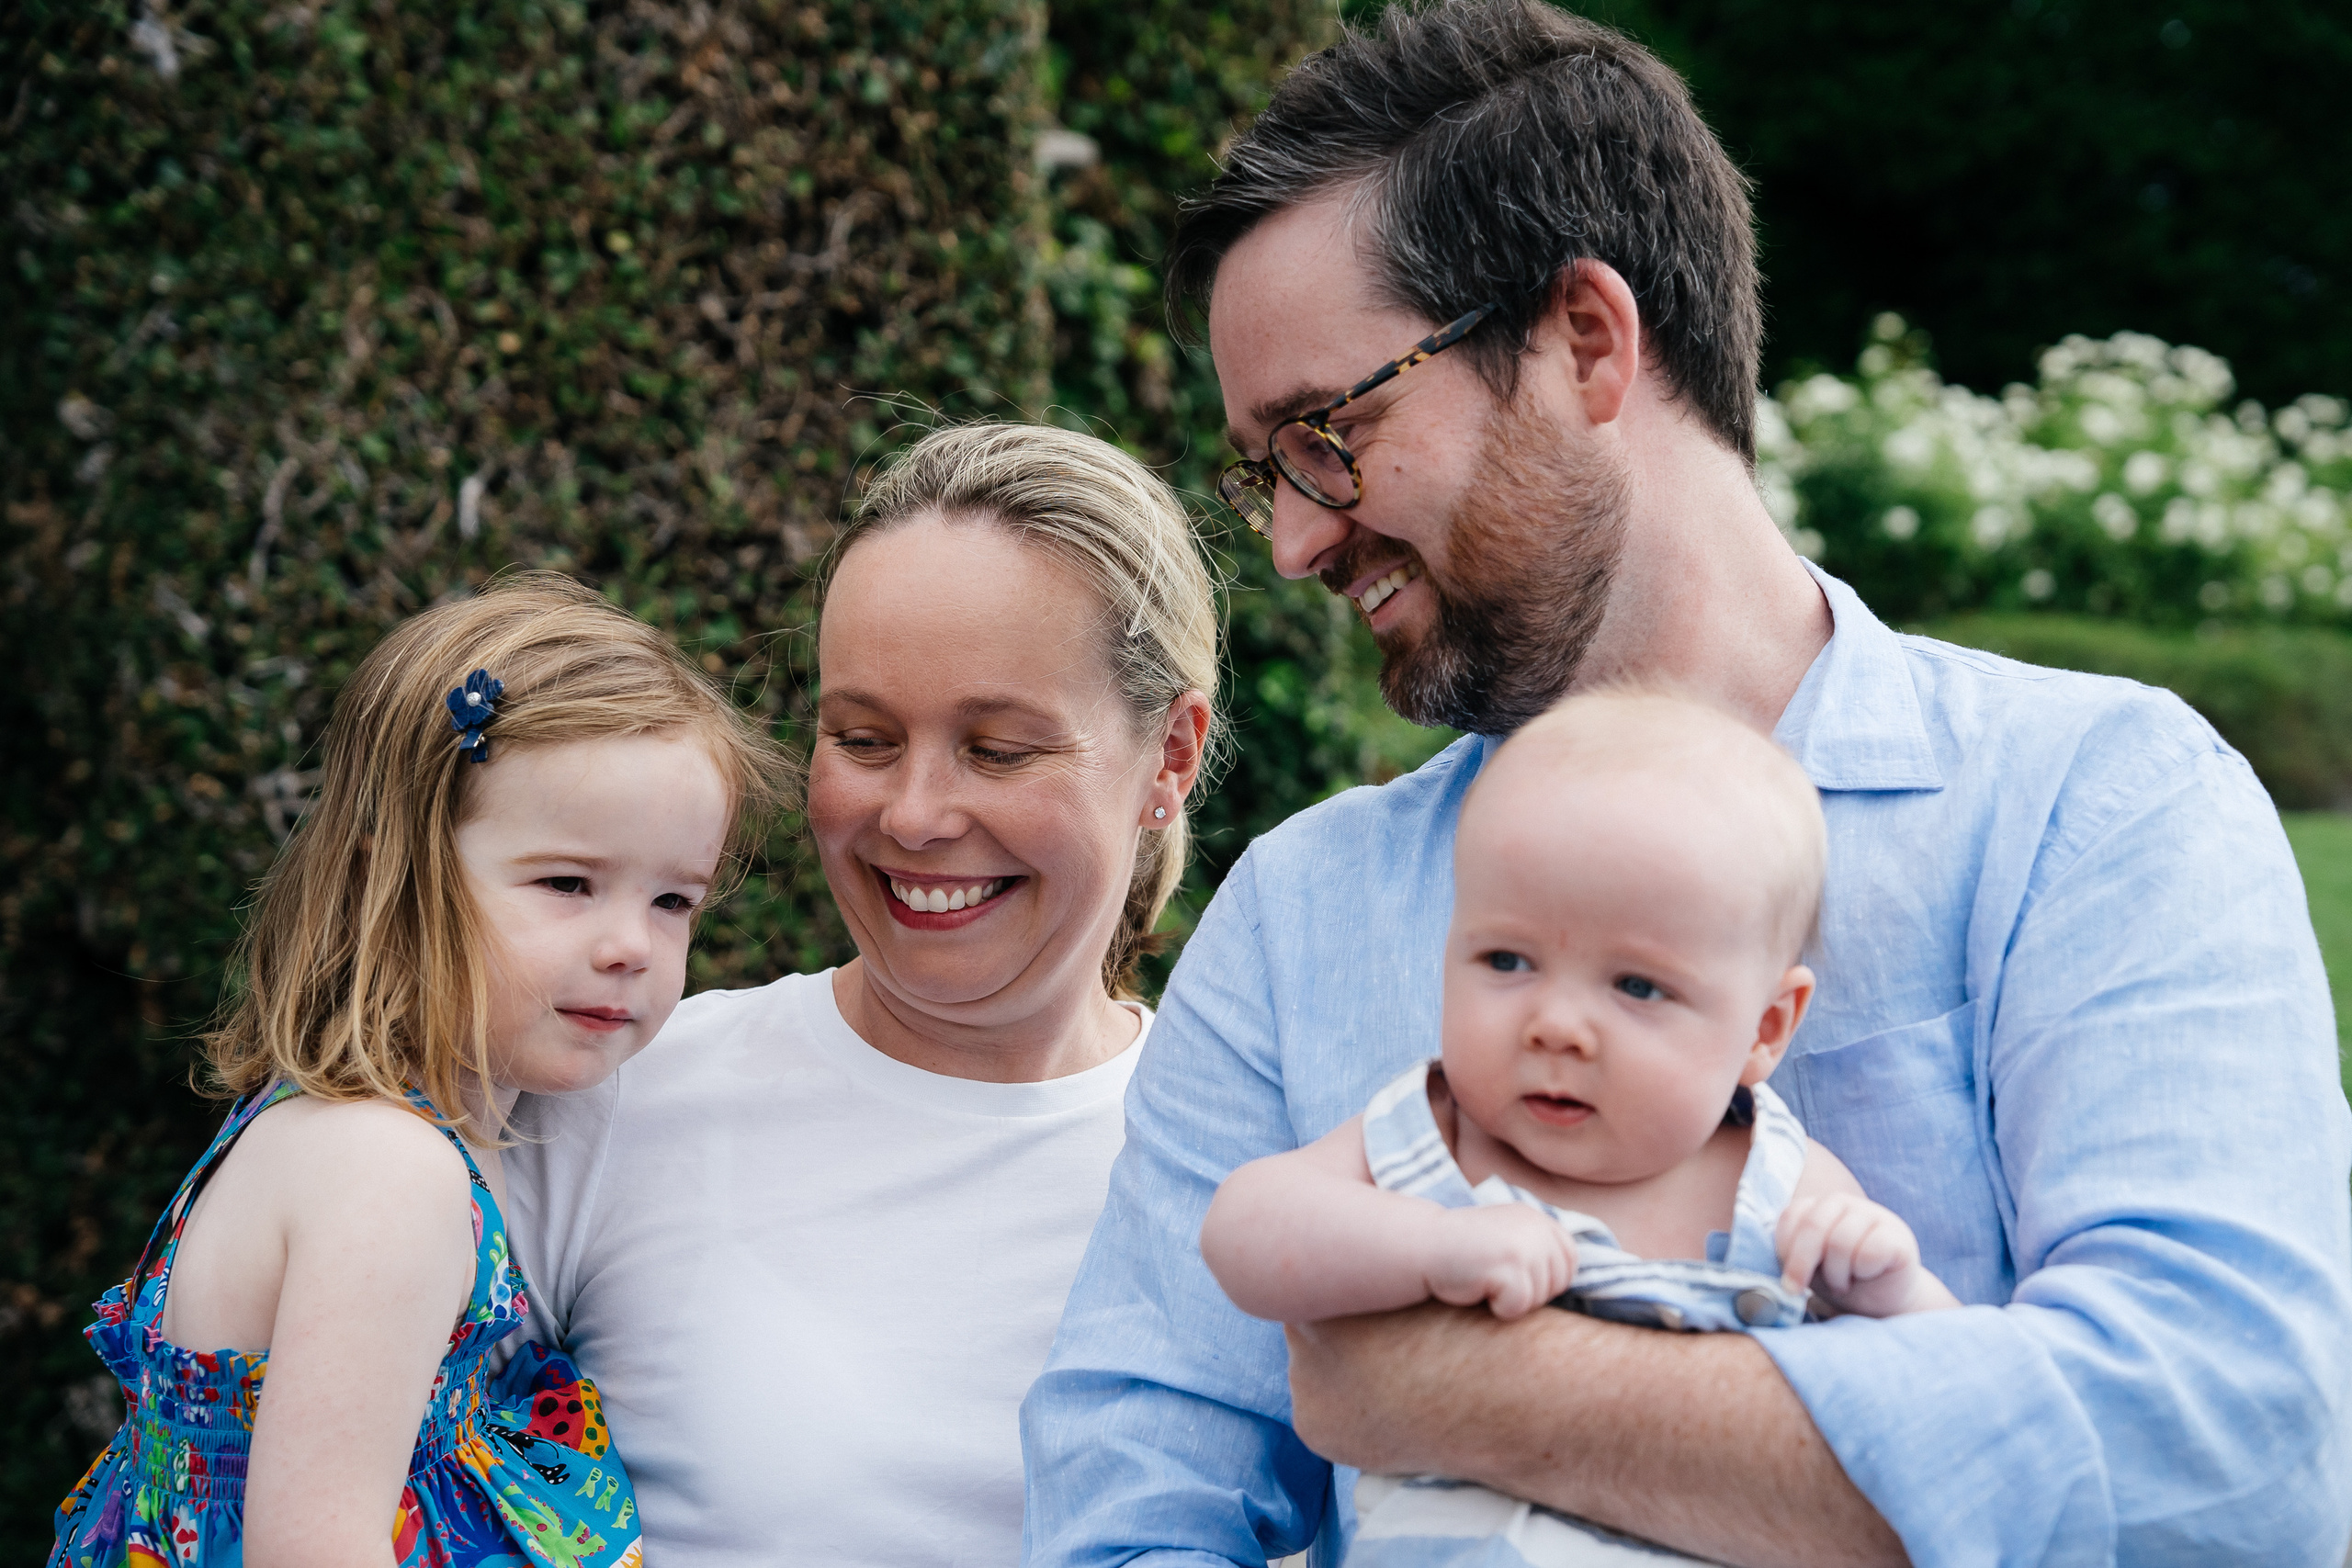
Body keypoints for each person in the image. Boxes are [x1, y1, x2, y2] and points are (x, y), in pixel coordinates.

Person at [1020, 4, 2352, 1564]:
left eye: (1330, 433)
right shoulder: (1300, 915)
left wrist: (1449, 1386)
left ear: (1588, 340)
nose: (1298, 540)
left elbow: (2235, 1458)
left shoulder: (2095, 807)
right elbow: (1125, 1519)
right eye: (1270, 471)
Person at [503, 423, 1219, 1566]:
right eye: (864, 738)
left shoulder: (1252, 1164)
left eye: (996, 749)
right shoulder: (617, 1098)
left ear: (1169, 759)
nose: (915, 815)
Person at [47, 572, 793, 1568]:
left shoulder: (351, 1128)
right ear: (385, 881)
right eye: (568, 883)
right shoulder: (387, 1173)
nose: (632, 946)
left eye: (674, 901)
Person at [1203, 689, 1958, 1566]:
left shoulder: (1783, 1186)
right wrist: (1433, 1247)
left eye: (1637, 986)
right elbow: (1244, 1231)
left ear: (1765, 1028)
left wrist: (1894, 1290)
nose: (1556, 1024)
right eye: (1507, 959)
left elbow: (1937, 1409)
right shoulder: (1433, 1135)